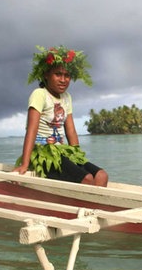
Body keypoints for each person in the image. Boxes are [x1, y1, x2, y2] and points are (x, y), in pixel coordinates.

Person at [13, 45, 108, 186]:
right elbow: (31, 130)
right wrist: (25, 163)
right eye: (58, 74)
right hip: (44, 153)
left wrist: (77, 157)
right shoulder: (40, 94)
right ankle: (83, 206)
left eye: (67, 75)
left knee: (101, 175)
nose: (63, 80)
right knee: (87, 179)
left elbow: (71, 131)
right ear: (46, 74)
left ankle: (95, 207)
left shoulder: (66, 97)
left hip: (62, 152)